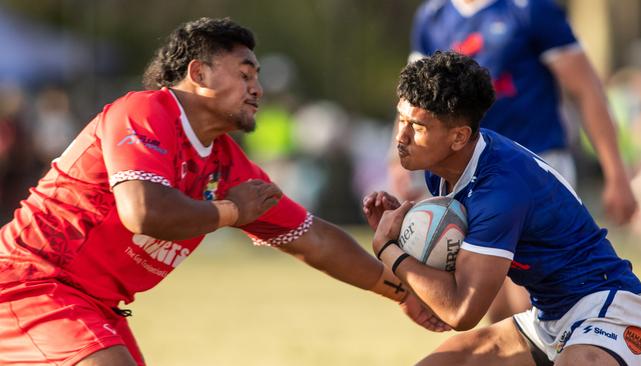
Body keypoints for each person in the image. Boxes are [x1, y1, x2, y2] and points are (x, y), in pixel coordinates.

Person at [0, 18, 443, 365]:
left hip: (94, 306)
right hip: (31, 284)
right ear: (199, 72)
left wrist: (404, 293)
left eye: (258, 77)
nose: (258, 89)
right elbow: (142, 211)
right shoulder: (145, 110)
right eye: (246, 73)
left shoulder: (227, 163)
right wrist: (232, 212)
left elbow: (317, 241)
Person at [364, 50, 641, 366]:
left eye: (416, 126)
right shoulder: (442, 169)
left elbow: (460, 310)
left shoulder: (499, 189)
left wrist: (388, 249)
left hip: (607, 311)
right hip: (546, 318)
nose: (400, 137)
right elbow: (449, 271)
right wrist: (407, 234)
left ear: (459, 137)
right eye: (401, 120)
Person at [388, 0, 639, 322]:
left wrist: (615, 172)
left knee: (529, 294)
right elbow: (413, 98)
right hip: (464, 168)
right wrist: (396, 160)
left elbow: (586, 88)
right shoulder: (432, 16)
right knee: (491, 300)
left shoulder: (530, 9)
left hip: (534, 166)